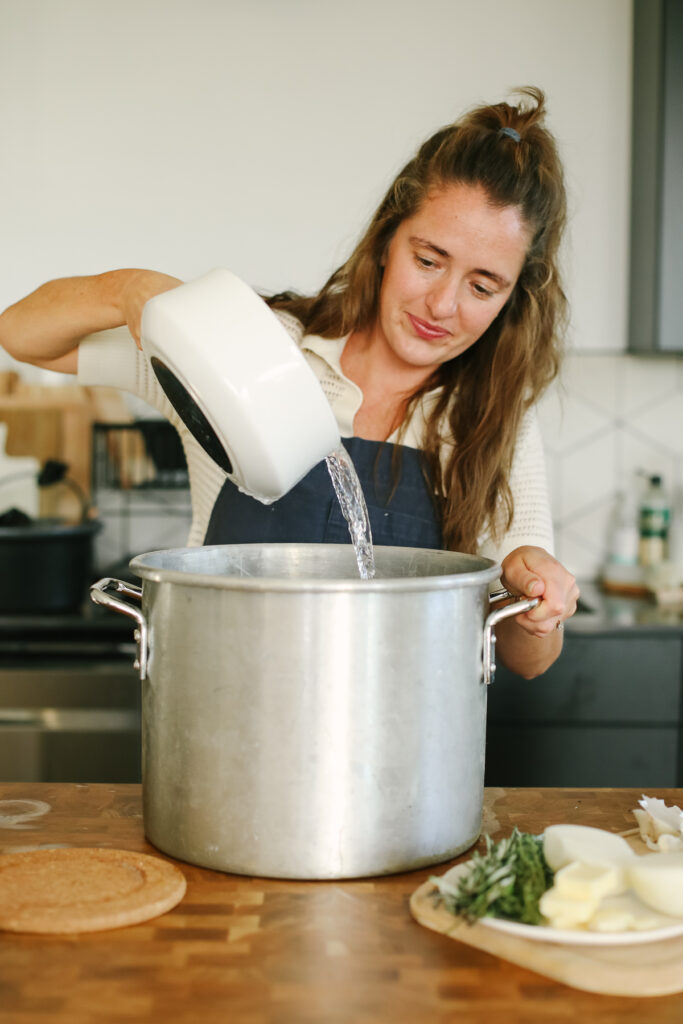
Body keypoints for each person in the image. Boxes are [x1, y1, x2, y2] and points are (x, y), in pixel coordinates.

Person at [0, 86, 579, 678]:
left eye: (482, 287)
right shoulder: (253, 349)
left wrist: (536, 600)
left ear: (511, 299)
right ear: (386, 241)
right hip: (215, 718)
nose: (441, 305)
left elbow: (530, 663)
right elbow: (21, 335)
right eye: (428, 260)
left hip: (401, 743)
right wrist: (123, 288)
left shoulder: (492, 418)